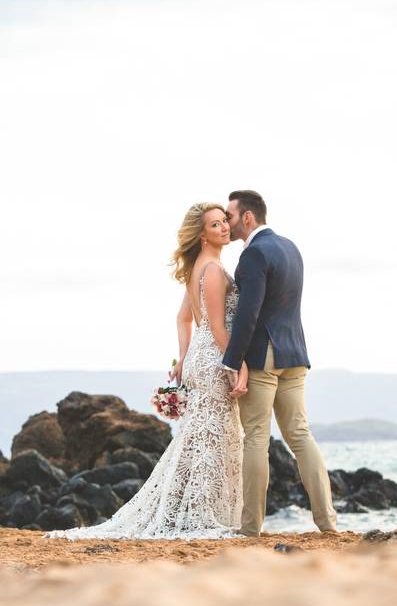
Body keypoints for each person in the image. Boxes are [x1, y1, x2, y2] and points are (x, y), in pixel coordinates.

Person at [45, 202, 248, 539]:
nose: (225, 228)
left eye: (224, 221)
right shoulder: (212, 270)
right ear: (202, 235)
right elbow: (216, 327)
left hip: (201, 356)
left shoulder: (200, 266)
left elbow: (184, 319)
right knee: (212, 438)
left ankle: (194, 511)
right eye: (215, 225)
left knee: (200, 437)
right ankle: (201, 515)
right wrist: (236, 363)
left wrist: (184, 357)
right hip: (214, 359)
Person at [222, 190, 337, 537]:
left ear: (247, 217)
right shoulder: (290, 248)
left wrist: (233, 361)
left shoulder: (254, 254)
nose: (226, 223)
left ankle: (250, 528)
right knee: (300, 435)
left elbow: (249, 313)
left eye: (229, 216)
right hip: (295, 354)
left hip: (263, 355)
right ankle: (328, 522)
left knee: (256, 436)